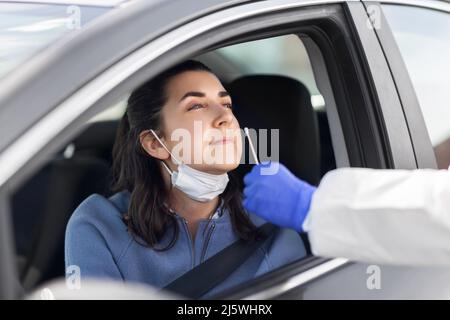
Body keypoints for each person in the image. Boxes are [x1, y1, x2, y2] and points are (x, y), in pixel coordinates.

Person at [65, 60, 307, 298]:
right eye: (196, 106)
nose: (226, 117)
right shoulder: (100, 225)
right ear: (154, 143)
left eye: (227, 104)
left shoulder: (273, 229)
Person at [243, 162, 450, 266]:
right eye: (207, 105)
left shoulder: (281, 242)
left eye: (227, 105)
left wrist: (310, 205)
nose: (224, 117)